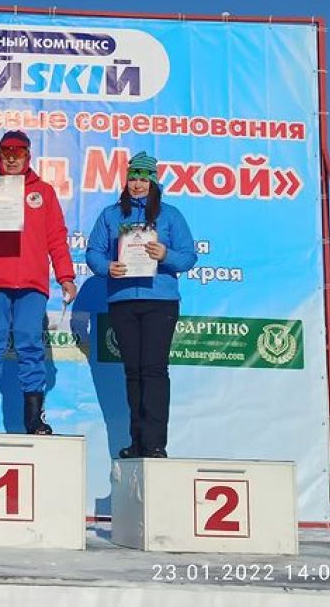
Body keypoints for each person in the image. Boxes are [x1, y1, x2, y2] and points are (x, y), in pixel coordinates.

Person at [0, 130, 77, 435]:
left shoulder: (44, 192)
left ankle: (35, 419)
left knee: (30, 344)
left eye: (18, 154)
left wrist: (65, 276)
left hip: (32, 282)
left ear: (28, 157)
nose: (12, 159)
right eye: (6, 154)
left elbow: (56, 238)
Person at [86, 151, 197, 458]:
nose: (136, 184)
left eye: (143, 178)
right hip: (122, 301)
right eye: (132, 177)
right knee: (132, 372)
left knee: (154, 370)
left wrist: (166, 255)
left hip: (160, 301)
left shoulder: (171, 215)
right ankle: (137, 442)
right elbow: (93, 251)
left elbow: (189, 256)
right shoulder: (111, 214)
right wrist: (107, 267)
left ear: (154, 181)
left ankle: (156, 443)